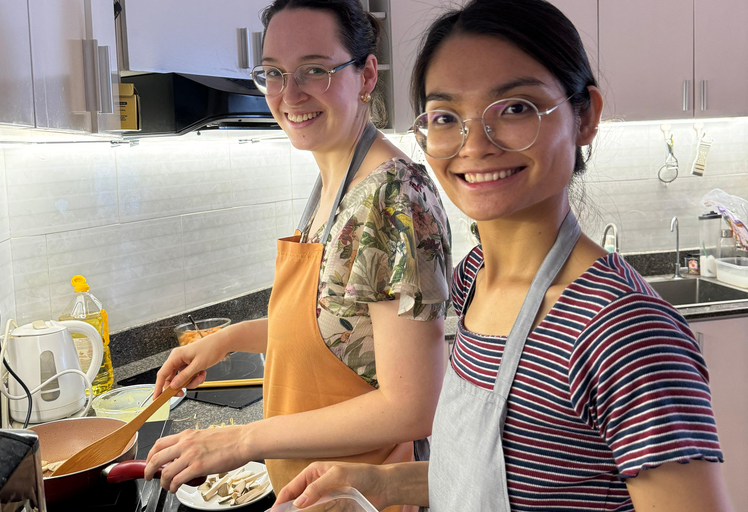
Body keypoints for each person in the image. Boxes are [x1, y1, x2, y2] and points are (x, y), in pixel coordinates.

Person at [273, 1, 735, 511]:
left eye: (515, 108)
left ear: (585, 117)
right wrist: (380, 484)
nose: (476, 144)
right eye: (447, 116)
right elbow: (519, 477)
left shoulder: (624, 332)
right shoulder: (475, 279)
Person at [143, 0, 453, 506]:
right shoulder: (332, 182)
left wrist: (243, 438)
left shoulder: (393, 194)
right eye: (273, 73)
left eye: (315, 69)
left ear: (366, 75)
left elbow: (414, 404)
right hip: (313, 491)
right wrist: (228, 340)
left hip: (364, 495)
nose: (289, 94)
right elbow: (343, 327)